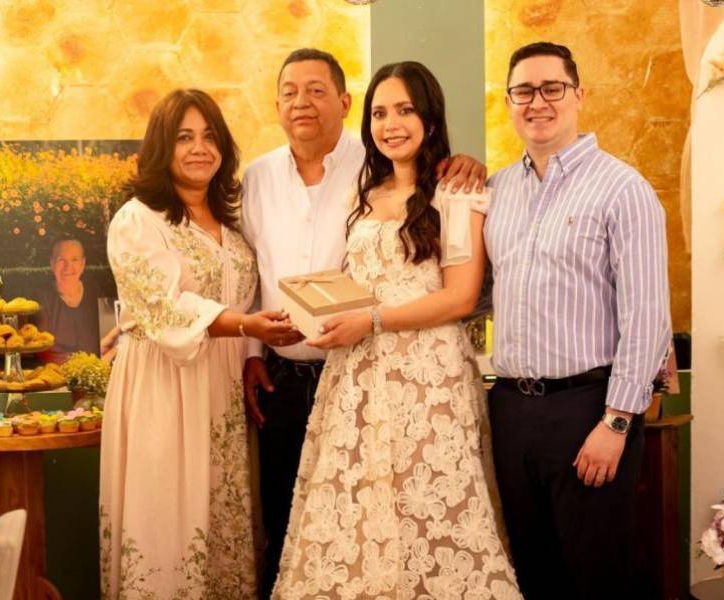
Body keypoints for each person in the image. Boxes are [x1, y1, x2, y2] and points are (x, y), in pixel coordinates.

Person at [241, 48, 488, 598]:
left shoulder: (452, 188)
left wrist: (369, 321)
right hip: (352, 374)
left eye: (404, 111)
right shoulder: (365, 190)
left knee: (428, 510)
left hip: (427, 376)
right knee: (355, 515)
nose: (391, 124)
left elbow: (461, 296)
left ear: (430, 116)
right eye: (380, 114)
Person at [485, 42, 671, 599]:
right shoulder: (496, 190)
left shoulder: (623, 189)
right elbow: (478, 294)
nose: (537, 102)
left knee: (596, 573)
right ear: (509, 101)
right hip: (510, 406)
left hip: (588, 408)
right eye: (523, 91)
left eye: (552, 89)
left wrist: (617, 423)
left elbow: (648, 316)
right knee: (531, 570)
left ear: (578, 95)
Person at [99, 89, 300, 599]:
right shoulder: (138, 219)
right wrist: (246, 326)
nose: (199, 148)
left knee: (224, 517)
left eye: (209, 136)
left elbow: (254, 291)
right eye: (184, 137)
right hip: (167, 387)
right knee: (170, 516)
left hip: (224, 388)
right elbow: (165, 305)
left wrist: (254, 349)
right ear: (162, 147)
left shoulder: (231, 225)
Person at [37, 238, 101, 364]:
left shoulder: (96, 293)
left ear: (83, 264)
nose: (68, 267)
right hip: (57, 373)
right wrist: (78, 363)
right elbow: (42, 348)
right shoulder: (42, 297)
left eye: (74, 260)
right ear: (52, 264)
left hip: (96, 370)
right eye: (61, 260)